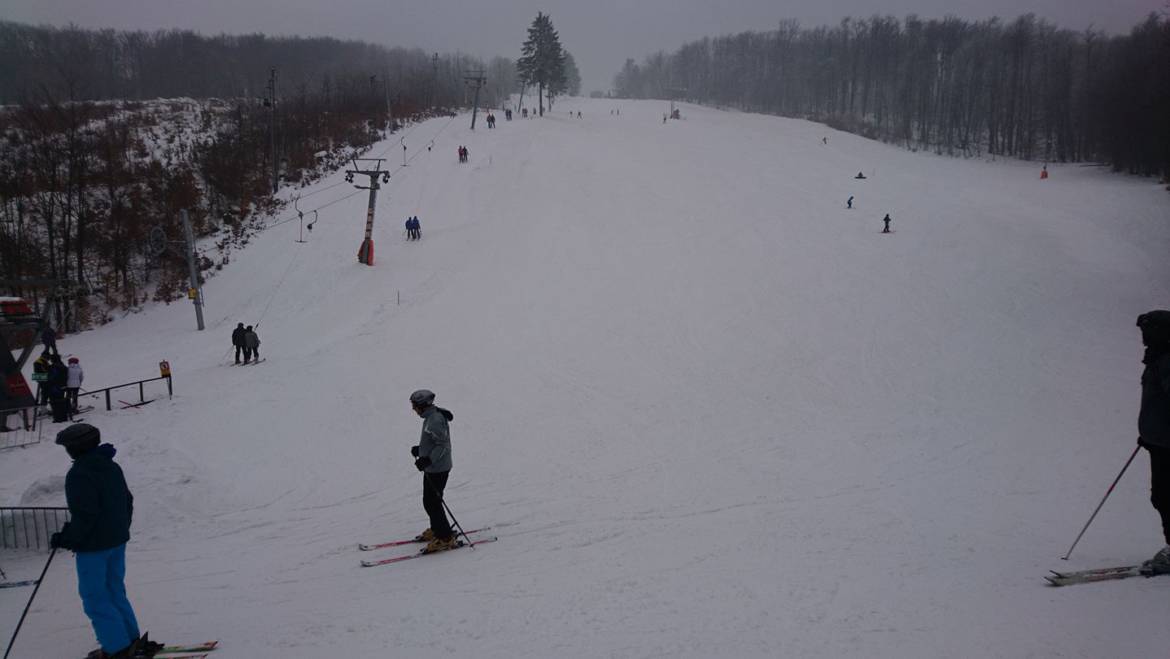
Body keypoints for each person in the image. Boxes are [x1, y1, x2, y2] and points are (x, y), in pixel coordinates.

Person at [50, 424, 160, 659]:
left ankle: (117, 648)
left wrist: (67, 538)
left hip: (94, 547)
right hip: (116, 540)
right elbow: (126, 500)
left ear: (76, 448)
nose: (67, 451)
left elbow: (85, 514)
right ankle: (129, 639)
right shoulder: (110, 465)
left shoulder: (80, 473)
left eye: (68, 447)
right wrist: (120, 528)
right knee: (114, 590)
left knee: (95, 597)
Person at [1137, 311, 1170, 575]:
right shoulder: (1158, 358)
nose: (1143, 338)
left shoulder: (1167, 360)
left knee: (1166, 495)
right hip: (1159, 442)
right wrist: (1149, 434)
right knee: (1161, 496)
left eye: (1147, 332)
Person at [409, 389, 457, 553]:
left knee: (432, 502)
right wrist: (421, 450)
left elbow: (442, 445)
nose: (413, 409)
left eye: (415, 406)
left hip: (438, 468)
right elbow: (432, 441)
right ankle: (437, 529)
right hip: (433, 467)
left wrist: (428, 459)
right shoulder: (430, 417)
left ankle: (445, 537)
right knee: (430, 501)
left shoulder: (435, 419)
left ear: (423, 406)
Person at [47, 354, 70, 422]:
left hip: (54, 388)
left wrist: (37, 376)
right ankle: (63, 417)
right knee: (61, 401)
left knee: (55, 403)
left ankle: (58, 418)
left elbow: (49, 377)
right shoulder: (64, 366)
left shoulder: (52, 367)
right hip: (62, 387)